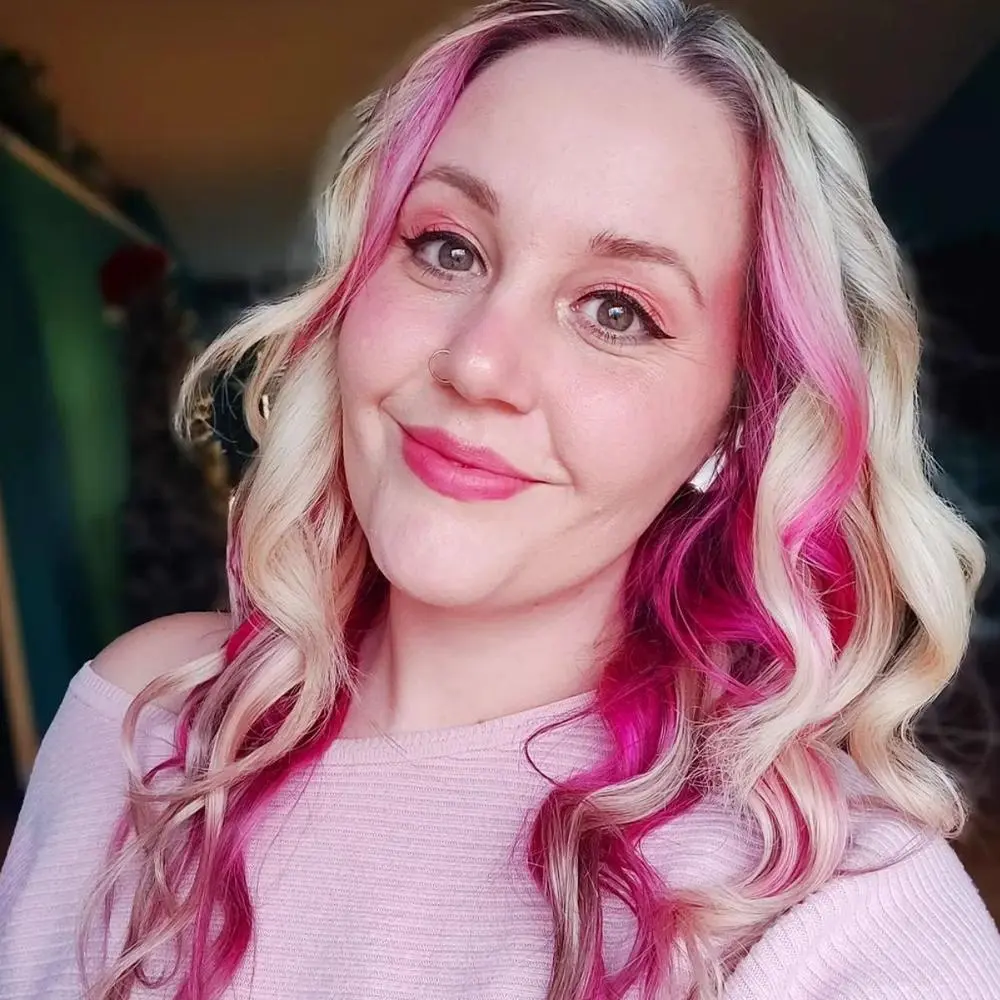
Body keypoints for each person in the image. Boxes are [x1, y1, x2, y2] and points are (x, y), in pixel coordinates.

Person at [2, 1, 999, 997]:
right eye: (448, 248)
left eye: (617, 310)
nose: (478, 362)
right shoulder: (142, 719)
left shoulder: (832, 907)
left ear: (738, 421)